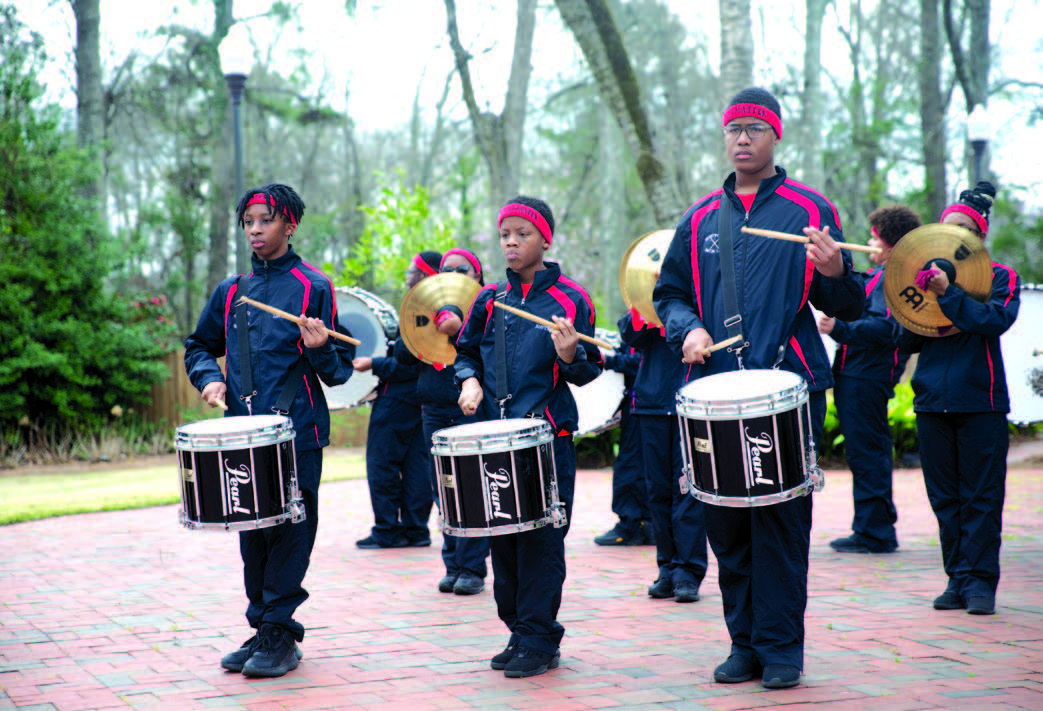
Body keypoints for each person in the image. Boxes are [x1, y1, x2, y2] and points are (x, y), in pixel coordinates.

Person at [653, 88, 865, 689]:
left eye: (753, 128)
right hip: (715, 394)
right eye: (733, 129)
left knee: (780, 521)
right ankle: (742, 643)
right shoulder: (698, 218)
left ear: (775, 136)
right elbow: (669, 294)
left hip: (788, 388)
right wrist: (687, 327)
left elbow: (847, 302)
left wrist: (834, 272)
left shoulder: (809, 208)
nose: (741, 138)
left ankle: (781, 651)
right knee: (725, 523)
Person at [184, 183, 355, 678]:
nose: (255, 230)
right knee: (252, 534)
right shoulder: (231, 291)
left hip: (297, 432)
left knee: (290, 531)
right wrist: (210, 378)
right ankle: (264, 627)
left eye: (265, 221)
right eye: (249, 222)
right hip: (241, 433)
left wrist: (321, 347)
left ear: (290, 225)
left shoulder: (312, 286)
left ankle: (281, 631)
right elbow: (199, 345)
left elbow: (339, 371)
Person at [454, 195, 602, 678]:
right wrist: (469, 379)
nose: (511, 242)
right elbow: (466, 352)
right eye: (505, 234)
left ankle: (541, 637)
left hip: (546, 438)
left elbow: (589, 372)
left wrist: (567, 356)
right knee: (503, 539)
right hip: (496, 439)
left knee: (541, 540)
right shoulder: (488, 299)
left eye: (522, 233)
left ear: (545, 239)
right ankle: (519, 631)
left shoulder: (571, 300)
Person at [897, 181, 1020, 616]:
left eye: (964, 227)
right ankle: (958, 578)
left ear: (978, 237)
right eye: (947, 226)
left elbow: (994, 320)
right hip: (932, 403)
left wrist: (949, 294)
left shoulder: (1002, 277)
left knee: (982, 497)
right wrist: (912, 299)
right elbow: (906, 339)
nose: (954, 233)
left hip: (981, 403)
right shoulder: (922, 275)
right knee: (945, 498)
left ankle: (982, 583)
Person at [818, 205, 921, 554]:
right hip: (855, 374)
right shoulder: (878, 274)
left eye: (874, 238)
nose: (867, 242)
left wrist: (840, 328)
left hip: (868, 376)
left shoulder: (899, 277)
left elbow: (890, 329)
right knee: (864, 452)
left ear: (891, 245)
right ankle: (870, 526)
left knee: (869, 452)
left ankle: (875, 531)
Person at [394, 248, 490, 595]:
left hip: (471, 408)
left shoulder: (486, 306)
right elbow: (403, 357)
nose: (451, 273)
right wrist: (418, 320)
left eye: (461, 269)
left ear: (476, 277)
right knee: (444, 489)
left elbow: (487, 347)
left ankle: (473, 567)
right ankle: (453, 564)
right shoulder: (426, 306)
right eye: (445, 269)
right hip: (433, 408)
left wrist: (457, 329)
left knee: (473, 487)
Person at [620, 307, 708, 601]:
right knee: (656, 490)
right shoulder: (647, 303)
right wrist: (645, 306)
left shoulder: (697, 295)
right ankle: (667, 568)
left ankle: (688, 572)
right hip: (652, 401)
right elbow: (629, 335)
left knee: (688, 489)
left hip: (693, 398)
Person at [353, 252, 438, 550]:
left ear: (426, 276)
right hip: (424, 399)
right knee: (418, 463)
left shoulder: (419, 310)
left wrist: (374, 364)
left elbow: (408, 365)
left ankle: (387, 530)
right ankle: (416, 531)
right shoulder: (447, 310)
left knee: (382, 463)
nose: (408, 274)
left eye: (413, 270)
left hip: (397, 400)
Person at [593, 323, 653, 546]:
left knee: (630, 465)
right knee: (646, 465)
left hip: (643, 403)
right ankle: (648, 525)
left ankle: (629, 527)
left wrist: (610, 361)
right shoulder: (642, 318)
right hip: (644, 403)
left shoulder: (652, 319)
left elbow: (643, 361)